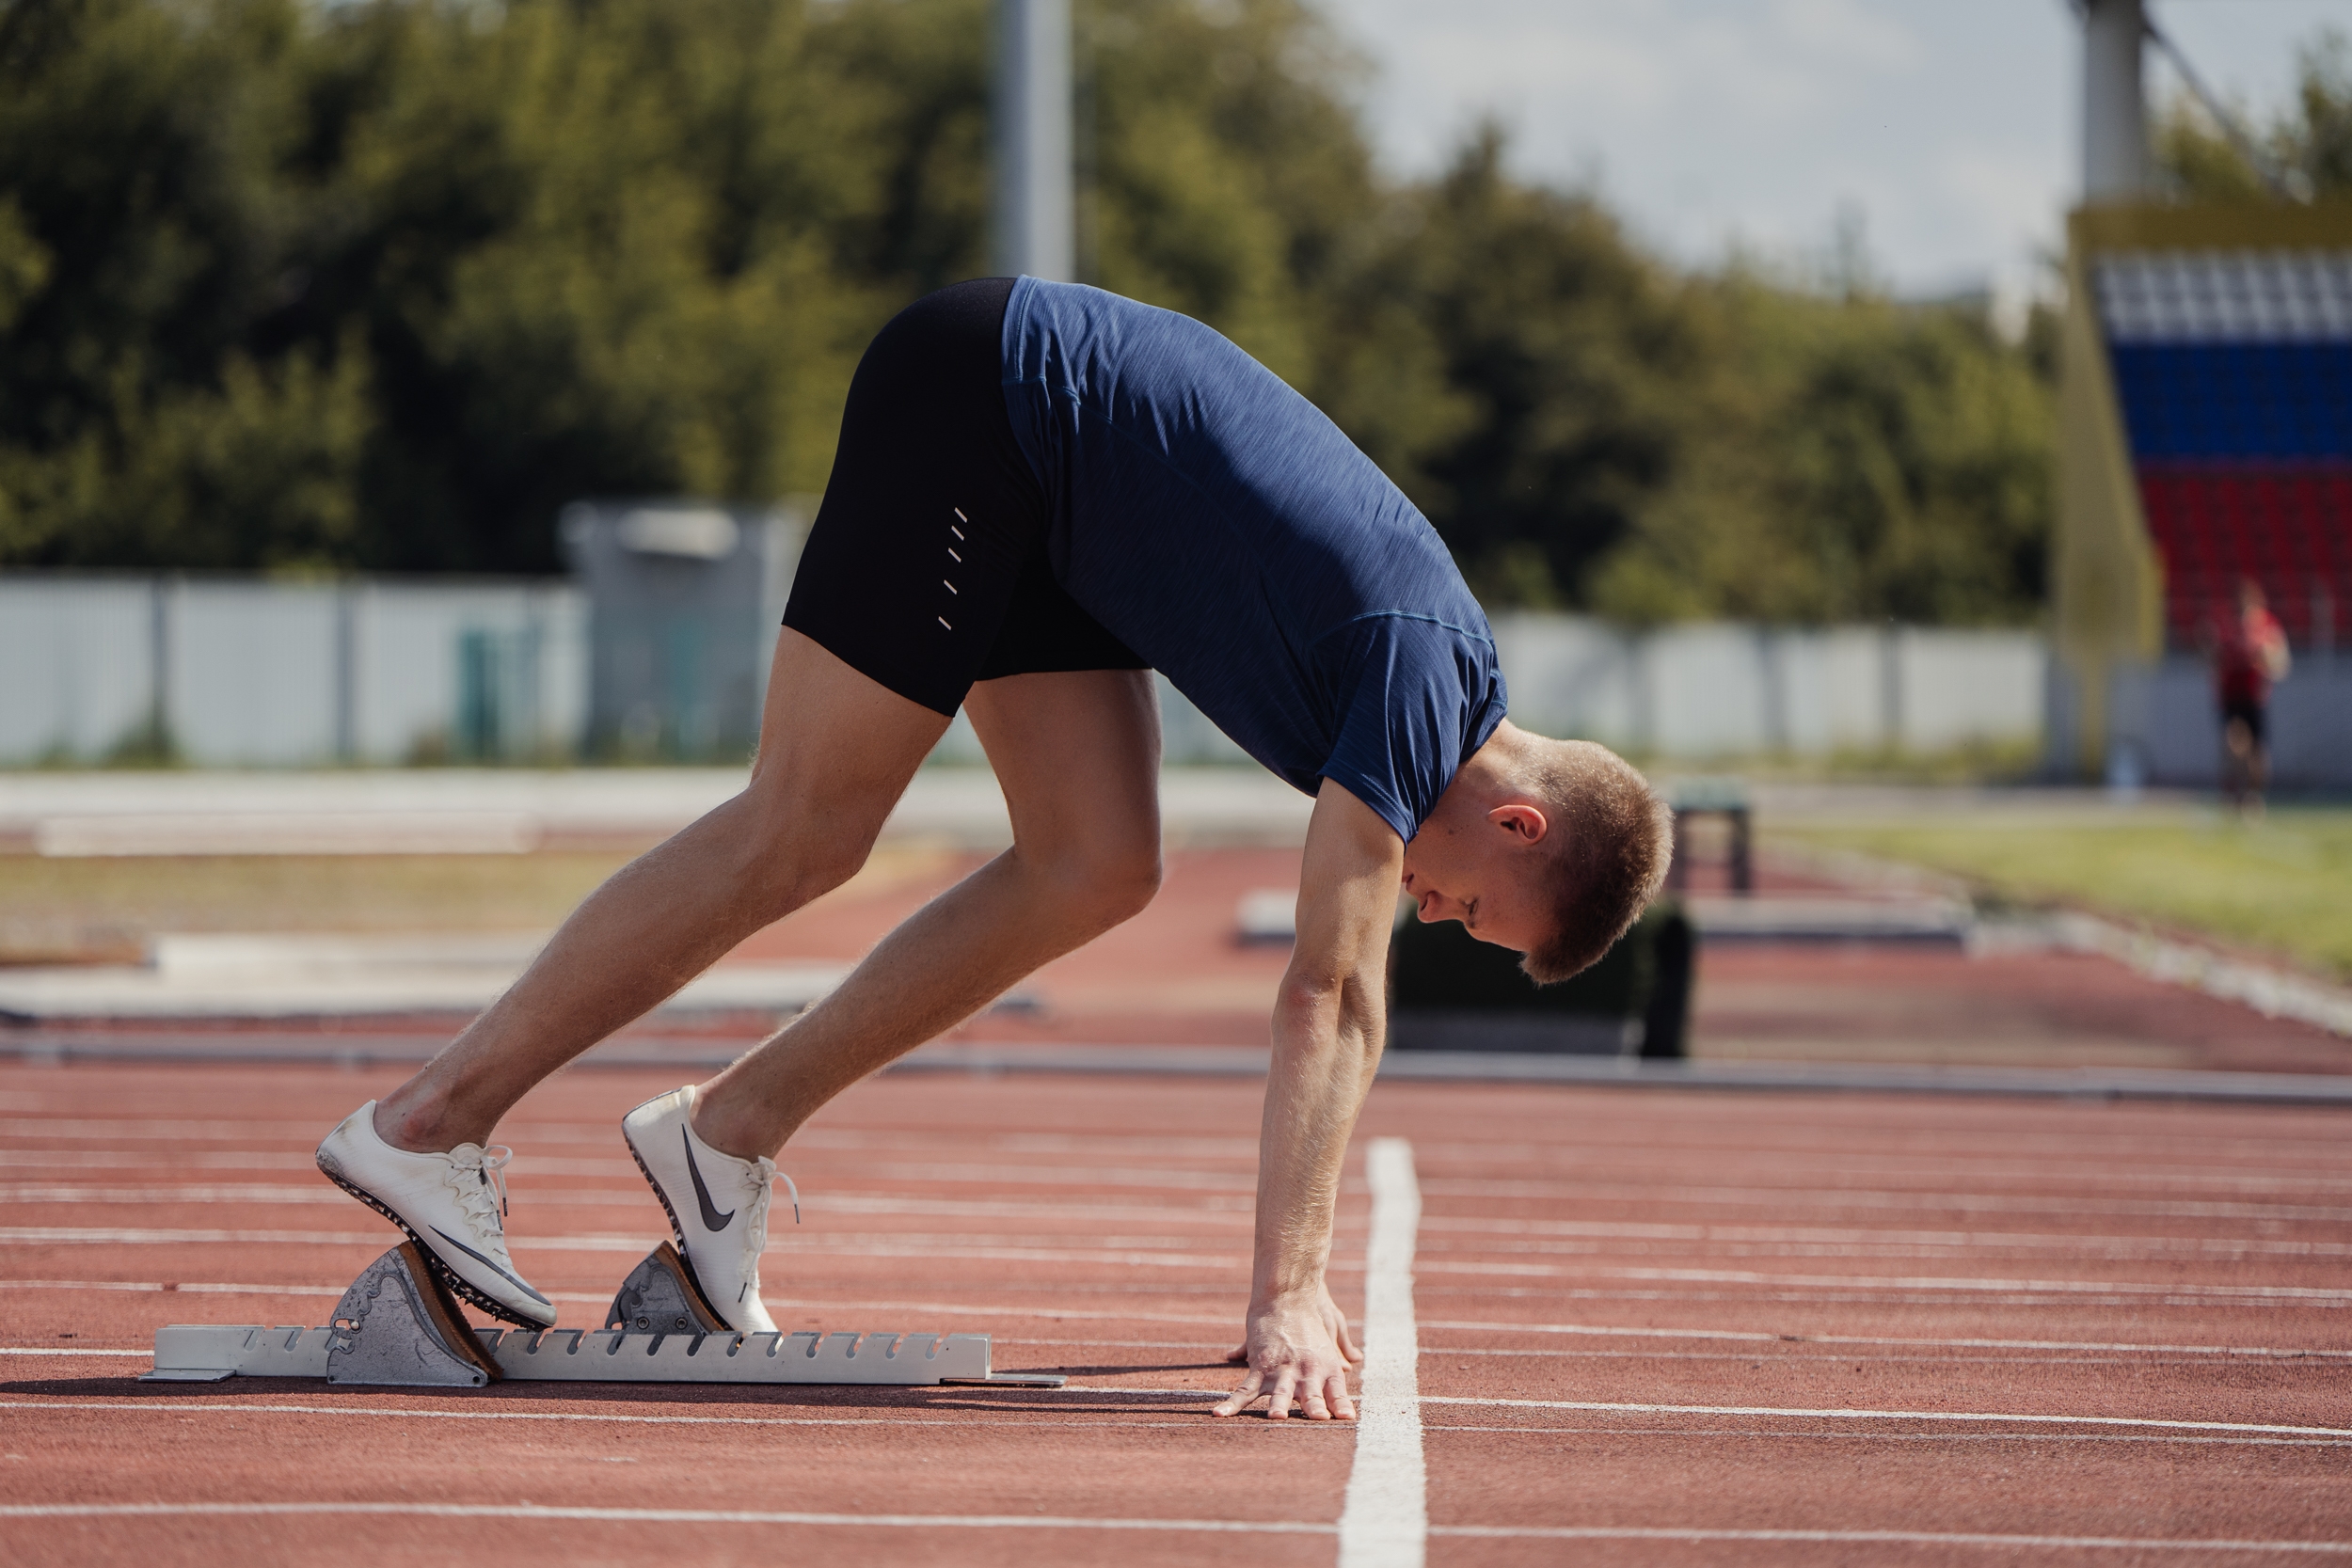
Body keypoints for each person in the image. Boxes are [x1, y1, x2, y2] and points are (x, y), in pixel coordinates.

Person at [312, 277, 1672, 1421]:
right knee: (806, 822)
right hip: (991, 402)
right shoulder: (1418, 676)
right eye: (1476, 909)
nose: (1434, 915)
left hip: (1055, 496)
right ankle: (432, 1122)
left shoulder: (1437, 688)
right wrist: (1289, 1286)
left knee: (1097, 858)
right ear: (1520, 822)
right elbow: (1336, 988)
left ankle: (728, 1133)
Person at [2212, 578, 2291, 812]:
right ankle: (2234, 789)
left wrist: (2268, 659)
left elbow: (2282, 664)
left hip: (2255, 698)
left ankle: (2254, 796)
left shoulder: (2268, 626)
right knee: (2233, 743)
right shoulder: (2226, 625)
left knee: (2258, 752)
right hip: (2232, 697)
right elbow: (2214, 659)